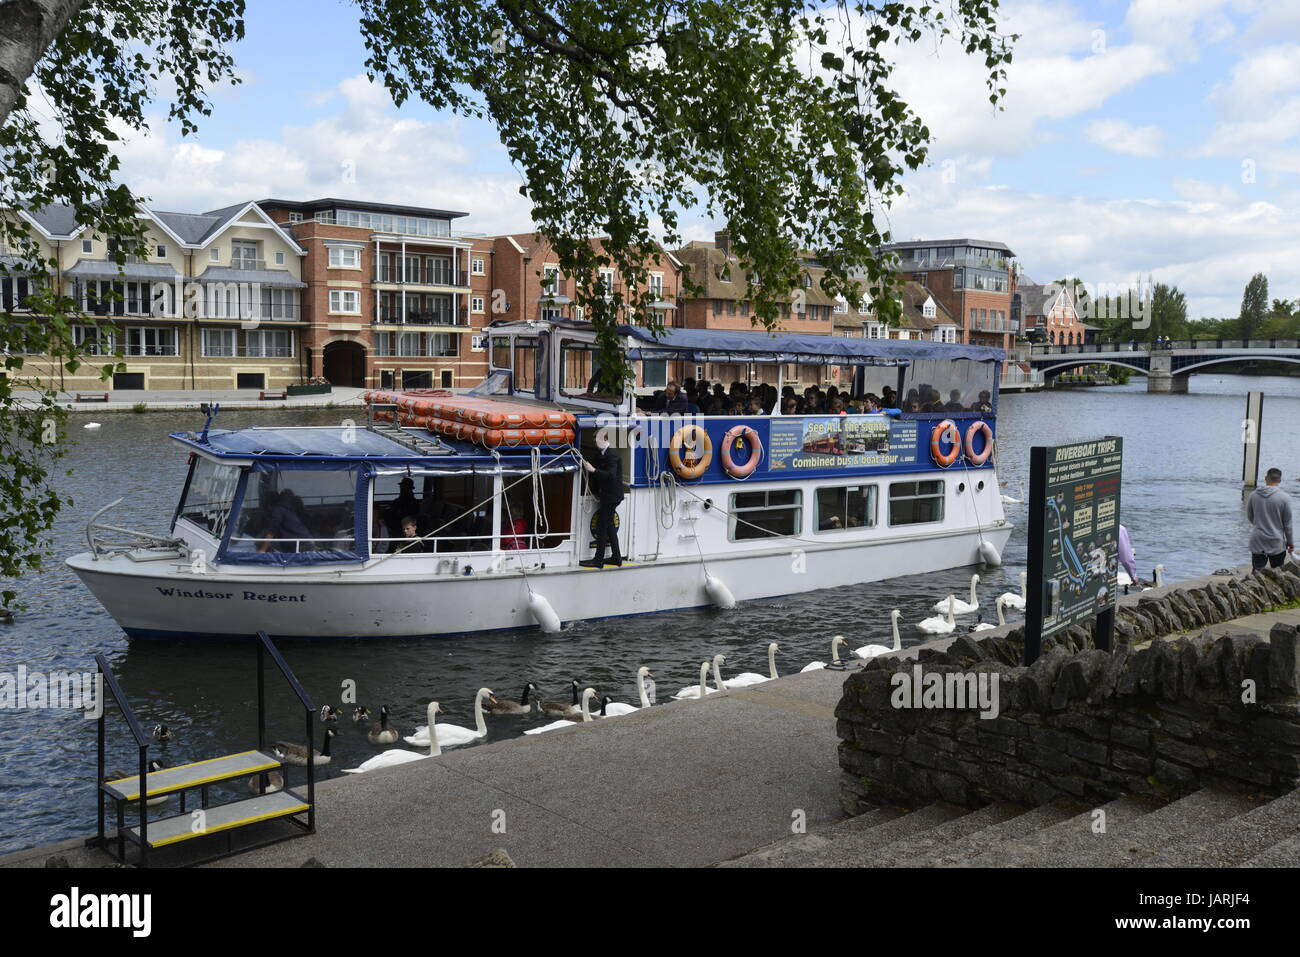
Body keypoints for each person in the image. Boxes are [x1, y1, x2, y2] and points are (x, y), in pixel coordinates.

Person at [580, 431, 624, 567]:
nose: (595, 443)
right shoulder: (601, 454)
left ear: (604, 439)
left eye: (597, 440)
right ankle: (616, 558)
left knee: (601, 526)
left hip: (612, 496)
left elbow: (611, 475)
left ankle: (598, 560)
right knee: (609, 526)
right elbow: (592, 464)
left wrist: (593, 470)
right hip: (608, 495)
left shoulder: (613, 455)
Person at [1247, 468, 1294, 570]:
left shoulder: (1253, 495)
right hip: (1276, 542)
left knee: (1257, 574)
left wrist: (1260, 524)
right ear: (1280, 480)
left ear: (1265, 478)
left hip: (1258, 540)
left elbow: (1250, 517)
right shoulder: (1285, 498)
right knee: (1278, 574)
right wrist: (1290, 542)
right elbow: (1288, 525)